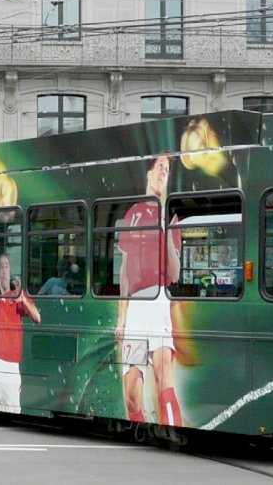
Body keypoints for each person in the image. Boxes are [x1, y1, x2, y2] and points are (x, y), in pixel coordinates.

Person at [115, 155, 184, 427]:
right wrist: (122, 318)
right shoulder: (133, 214)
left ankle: (172, 432)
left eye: (167, 170)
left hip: (158, 303)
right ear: (149, 172)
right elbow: (123, 271)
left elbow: (175, 273)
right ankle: (141, 429)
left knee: (163, 376)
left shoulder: (172, 218)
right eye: (160, 168)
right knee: (132, 393)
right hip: (136, 309)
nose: (163, 173)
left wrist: (166, 228)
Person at [0, 246, 41, 413]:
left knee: (13, 412)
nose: (4, 271)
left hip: (12, 367)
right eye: (1, 267)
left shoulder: (18, 296)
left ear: (10, 272)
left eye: (6, 266)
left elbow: (37, 317)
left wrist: (23, 301)